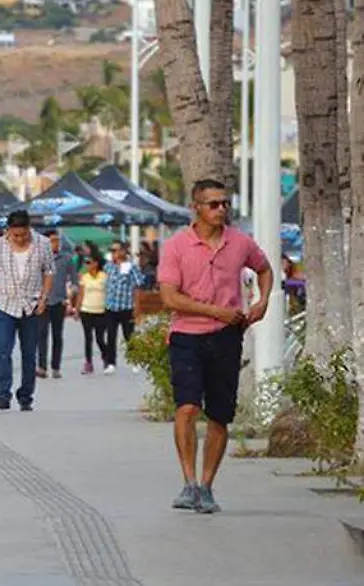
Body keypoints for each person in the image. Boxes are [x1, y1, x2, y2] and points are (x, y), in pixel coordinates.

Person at [158, 178, 272, 514]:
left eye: (225, 203)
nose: (220, 209)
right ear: (196, 207)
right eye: (213, 204)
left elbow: (264, 269)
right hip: (186, 336)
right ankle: (188, 483)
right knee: (188, 408)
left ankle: (207, 486)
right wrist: (213, 310)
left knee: (220, 414)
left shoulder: (240, 242)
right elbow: (169, 297)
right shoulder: (177, 246)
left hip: (226, 337)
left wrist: (262, 301)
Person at [0, 211, 54, 411]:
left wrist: (44, 298)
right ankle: (3, 395)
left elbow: (49, 271)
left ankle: (26, 396)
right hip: (5, 305)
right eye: (15, 235)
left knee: (29, 353)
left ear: (29, 229)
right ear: (8, 231)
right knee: (3, 351)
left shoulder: (42, 244)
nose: (20, 239)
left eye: (24, 235)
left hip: (32, 305)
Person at [37, 230, 77, 379]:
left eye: (57, 240)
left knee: (57, 335)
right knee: (41, 334)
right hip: (43, 301)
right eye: (52, 240)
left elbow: (74, 281)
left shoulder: (66, 258)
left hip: (59, 301)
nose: (56, 243)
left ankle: (56, 366)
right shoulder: (39, 259)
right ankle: (41, 366)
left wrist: (71, 299)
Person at [102, 240, 145, 374]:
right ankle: (110, 362)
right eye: (112, 251)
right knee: (110, 335)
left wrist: (137, 307)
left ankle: (135, 361)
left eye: (115, 250)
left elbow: (137, 287)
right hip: (111, 306)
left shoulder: (131, 267)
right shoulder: (108, 266)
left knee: (129, 336)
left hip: (126, 306)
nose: (113, 253)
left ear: (122, 251)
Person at [74, 255, 110, 375]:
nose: (87, 265)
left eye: (89, 263)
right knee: (88, 337)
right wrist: (77, 310)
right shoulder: (84, 277)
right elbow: (81, 294)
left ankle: (106, 357)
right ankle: (88, 363)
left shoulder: (104, 276)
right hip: (86, 310)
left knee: (100, 338)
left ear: (96, 263)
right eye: (86, 263)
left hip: (101, 311)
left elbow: (109, 291)